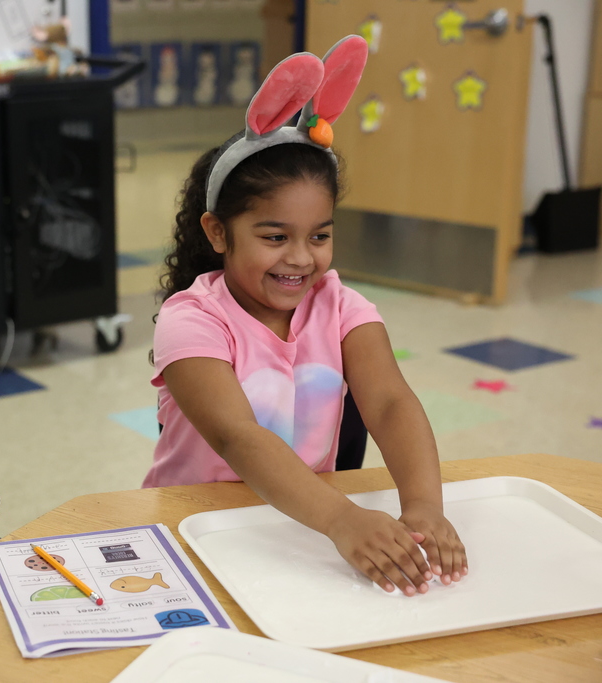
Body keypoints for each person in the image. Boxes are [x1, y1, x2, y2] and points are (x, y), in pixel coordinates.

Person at [144, 39, 467, 598]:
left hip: (301, 526)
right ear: (218, 232)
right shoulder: (190, 320)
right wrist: (343, 520)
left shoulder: (342, 306)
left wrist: (423, 506)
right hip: (192, 533)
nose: (301, 258)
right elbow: (238, 436)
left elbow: (391, 403)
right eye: (275, 237)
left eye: (320, 236)